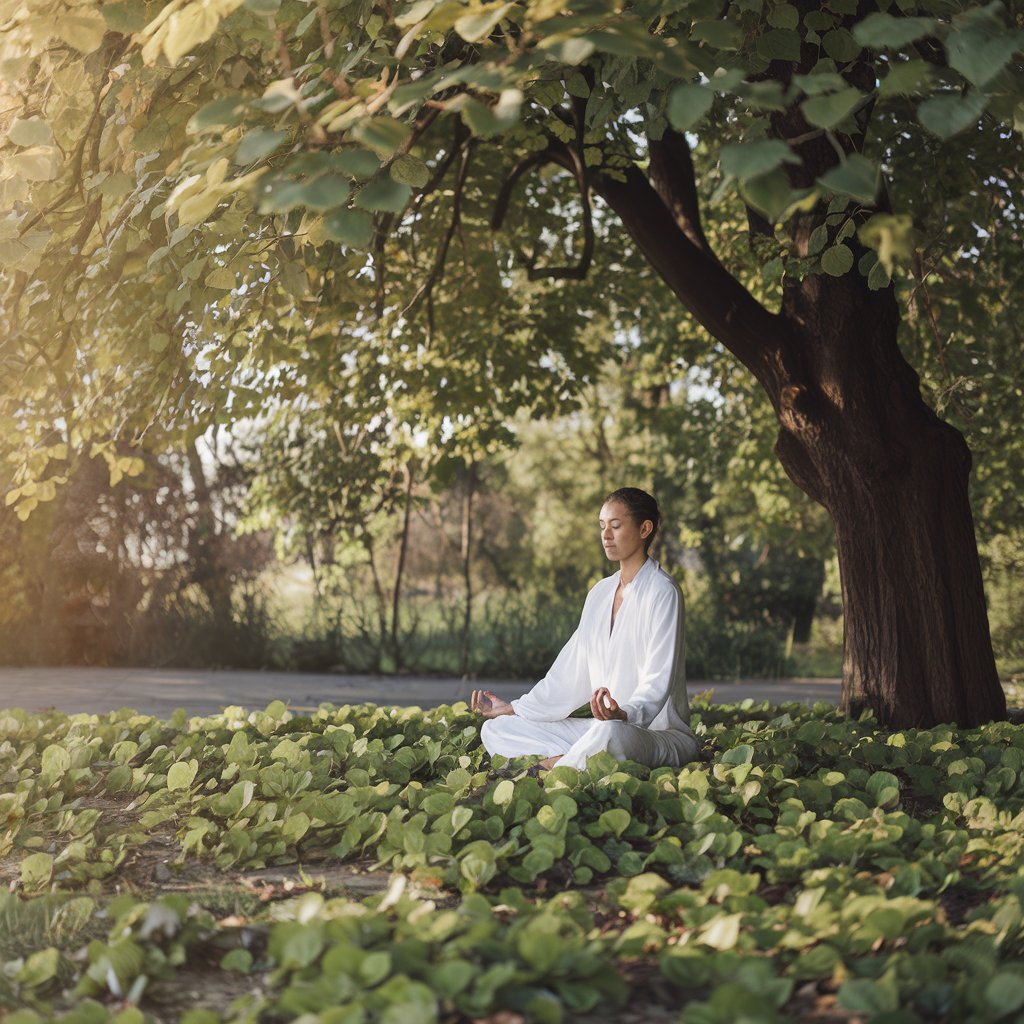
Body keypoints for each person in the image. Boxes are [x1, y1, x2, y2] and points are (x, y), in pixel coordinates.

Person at [471, 487, 699, 773]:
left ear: (644, 529)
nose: (606, 535)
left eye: (616, 526)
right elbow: (570, 672)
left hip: (655, 734)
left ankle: (552, 765)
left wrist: (624, 714)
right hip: (601, 727)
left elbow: (657, 681)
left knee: (612, 735)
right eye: (602, 526)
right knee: (499, 729)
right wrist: (515, 708)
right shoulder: (600, 593)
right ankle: (576, 761)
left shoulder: (663, 592)